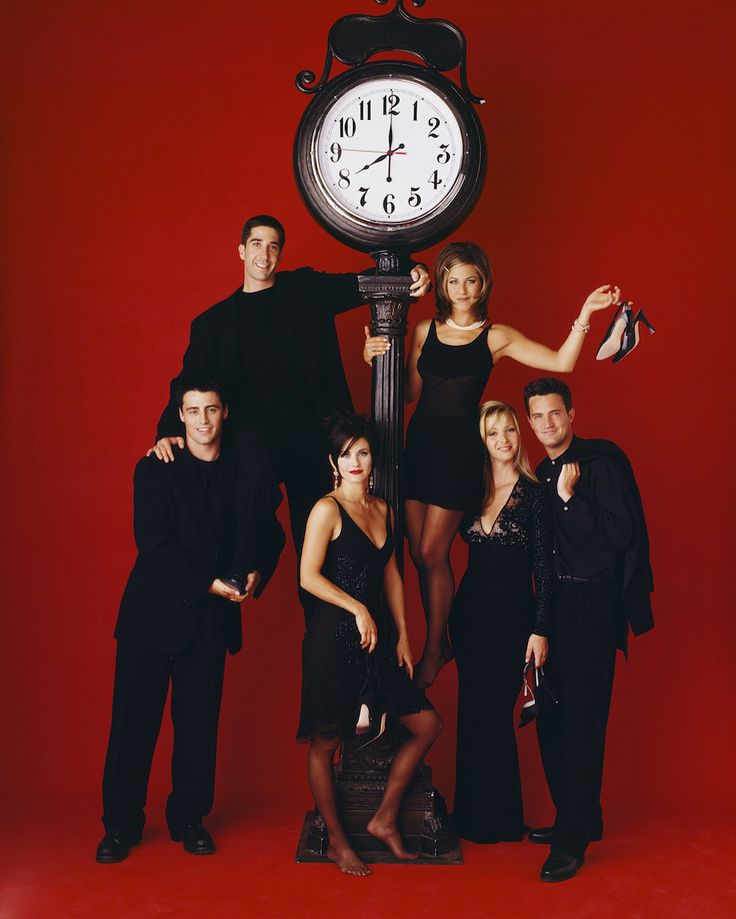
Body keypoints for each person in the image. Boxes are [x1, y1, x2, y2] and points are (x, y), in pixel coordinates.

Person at [364, 241, 622, 688]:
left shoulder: (496, 335)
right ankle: (439, 643)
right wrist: (373, 356)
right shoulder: (424, 329)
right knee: (414, 554)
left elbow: (563, 361)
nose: (462, 289)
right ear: (443, 285)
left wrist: (586, 313)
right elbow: (407, 393)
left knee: (431, 552)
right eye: (453, 280)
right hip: (417, 449)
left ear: (483, 284)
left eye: (471, 280)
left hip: (458, 456)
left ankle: (433, 647)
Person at [151, 216, 430, 614]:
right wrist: (166, 430)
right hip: (254, 441)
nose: (264, 254)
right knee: (253, 485)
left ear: (279, 253)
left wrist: (409, 270)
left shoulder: (305, 289)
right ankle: (241, 568)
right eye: (257, 244)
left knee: (319, 543)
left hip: (313, 440)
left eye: (273, 246)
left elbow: (363, 283)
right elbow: (187, 382)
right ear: (242, 251)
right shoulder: (213, 325)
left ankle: (328, 627)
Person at [96, 379, 284, 863]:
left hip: (208, 623)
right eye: (193, 410)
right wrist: (211, 584)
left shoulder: (244, 473)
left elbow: (272, 533)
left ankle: (189, 819)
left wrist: (256, 574)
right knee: (133, 726)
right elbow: (153, 546)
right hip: (152, 618)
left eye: (212, 410)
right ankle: (120, 826)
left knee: (198, 726)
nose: (202, 420)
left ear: (226, 414)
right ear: (179, 416)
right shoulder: (154, 469)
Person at [297, 411, 442, 876]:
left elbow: (392, 573)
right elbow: (307, 577)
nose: (356, 461)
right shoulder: (326, 508)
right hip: (332, 638)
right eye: (346, 454)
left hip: (377, 638)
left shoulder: (384, 508)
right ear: (333, 462)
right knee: (327, 740)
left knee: (426, 724)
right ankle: (337, 841)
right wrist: (357, 607)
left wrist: (402, 631)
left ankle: (384, 819)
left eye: (362, 452)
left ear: (372, 457)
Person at [523, 376, 654, 882]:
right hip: (554, 604)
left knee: (583, 722)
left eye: (555, 413)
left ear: (572, 414)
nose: (547, 424)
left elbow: (622, 535)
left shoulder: (601, 462)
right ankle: (580, 817)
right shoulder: (539, 470)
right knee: (551, 716)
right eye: (537, 416)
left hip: (594, 605)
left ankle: (572, 842)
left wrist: (570, 498)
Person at [449, 400, 553, 843]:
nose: (504, 440)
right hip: (470, 615)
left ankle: (503, 819)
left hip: (515, 618)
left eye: (509, 430)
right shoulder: (471, 489)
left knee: (494, 712)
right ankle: (469, 818)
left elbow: (544, 568)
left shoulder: (534, 493)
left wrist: (541, 627)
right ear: (483, 441)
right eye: (493, 433)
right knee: (472, 711)